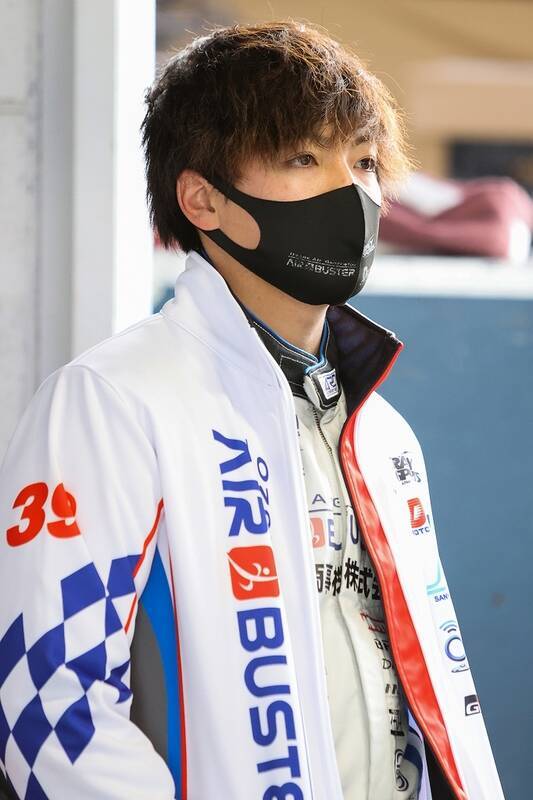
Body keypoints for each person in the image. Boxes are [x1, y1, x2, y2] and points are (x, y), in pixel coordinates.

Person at [0, 20, 504, 800]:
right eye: (303, 158)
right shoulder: (110, 402)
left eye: (363, 161)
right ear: (202, 199)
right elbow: (46, 708)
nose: (352, 191)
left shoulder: (380, 432)